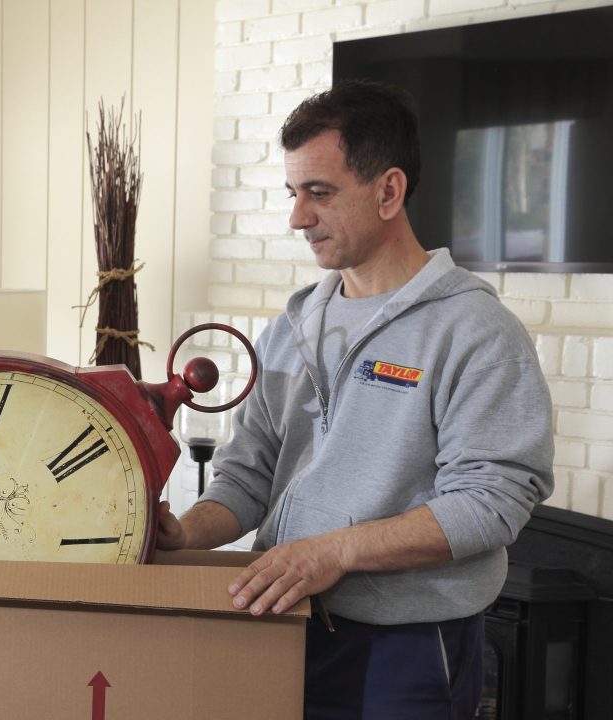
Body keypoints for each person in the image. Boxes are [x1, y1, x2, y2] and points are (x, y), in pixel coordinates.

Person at [157, 79, 554, 719]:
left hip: (409, 649)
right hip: (281, 624)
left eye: (319, 193)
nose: (296, 217)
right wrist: (187, 533)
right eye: (293, 193)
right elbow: (249, 470)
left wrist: (334, 551)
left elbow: (492, 503)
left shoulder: (474, 330)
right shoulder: (291, 327)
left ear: (388, 190)